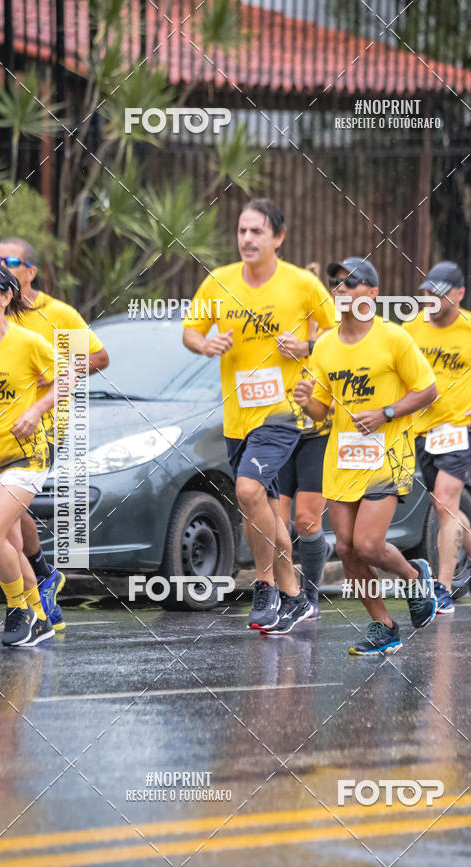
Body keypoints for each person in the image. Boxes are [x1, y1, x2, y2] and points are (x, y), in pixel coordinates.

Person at [183, 199, 336, 635]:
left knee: (248, 490)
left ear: (278, 238)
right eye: (242, 231)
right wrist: (205, 345)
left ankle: (265, 585)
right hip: (238, 417)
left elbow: (338, 335)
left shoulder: (302, 284)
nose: (247, 239)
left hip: (283, 412)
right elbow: (191, 331)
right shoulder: (219, 281)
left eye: (257, 232)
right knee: (261, 509)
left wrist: (306, 347)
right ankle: (294, 596)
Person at [294, 256, 438, 657]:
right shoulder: (324, 346)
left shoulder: (393, 338)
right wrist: (307, 402)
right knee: (345, 548)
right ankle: (384, 626)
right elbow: (322, 411)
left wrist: (386, 413)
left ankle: (413, 577)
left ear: (373, 293)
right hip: (343, 459)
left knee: (369, 545)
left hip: (387, 456)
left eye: (351, 282)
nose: (340, 289)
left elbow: (428, 390)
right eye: (336, 283)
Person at [0, 238, 109, 630]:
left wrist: (53, 376)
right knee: (7, 518)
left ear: (31, 271)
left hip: (43, 428)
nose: (1, 264)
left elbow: (98, 358)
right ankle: (41, 586)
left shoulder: (57, 314)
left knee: (9, 510)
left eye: (10, 260)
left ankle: (35, 590)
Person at [0, 262, 70, 647]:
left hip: (26, 456)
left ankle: (19, 609)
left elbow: (67, 376)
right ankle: (39, 617)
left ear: (6, 296)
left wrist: (36, 411)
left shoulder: (27, 342)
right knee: (10, 545)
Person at [404, 260, 471, 613]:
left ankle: (441, 589)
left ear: (459, 294)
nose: (432, 299)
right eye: (428, 292)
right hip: (422, 431)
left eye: (440, 294)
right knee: (445, 507)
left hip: (462, 429)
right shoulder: (411, 329)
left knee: (444, 502)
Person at [278, 316, 331, 619]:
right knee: (275, 520)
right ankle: (286, 593)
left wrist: (308, 346)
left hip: (319, 435)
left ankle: (310, 594)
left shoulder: (334, 330)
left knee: (307, 521)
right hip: (279, 433)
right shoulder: (277, 322)